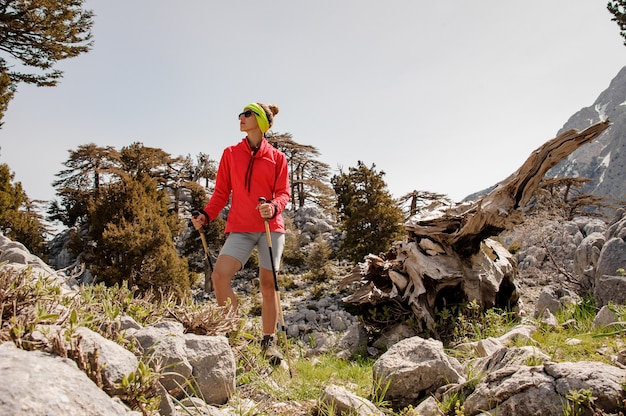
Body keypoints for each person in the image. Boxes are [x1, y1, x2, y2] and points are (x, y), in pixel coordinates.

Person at [191, 102, 290, 364]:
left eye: (247, 114)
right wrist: (206, 214)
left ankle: (269, 344)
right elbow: (221, 192)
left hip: (271, 228)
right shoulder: (231, 153)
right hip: (241, 228)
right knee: (219, 276)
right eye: (240, 114)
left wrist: (273, 206)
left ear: (261, 121)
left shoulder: (278, 158)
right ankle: (234, 331)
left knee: (268, 286)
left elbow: (283, 193)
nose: (241, 118)